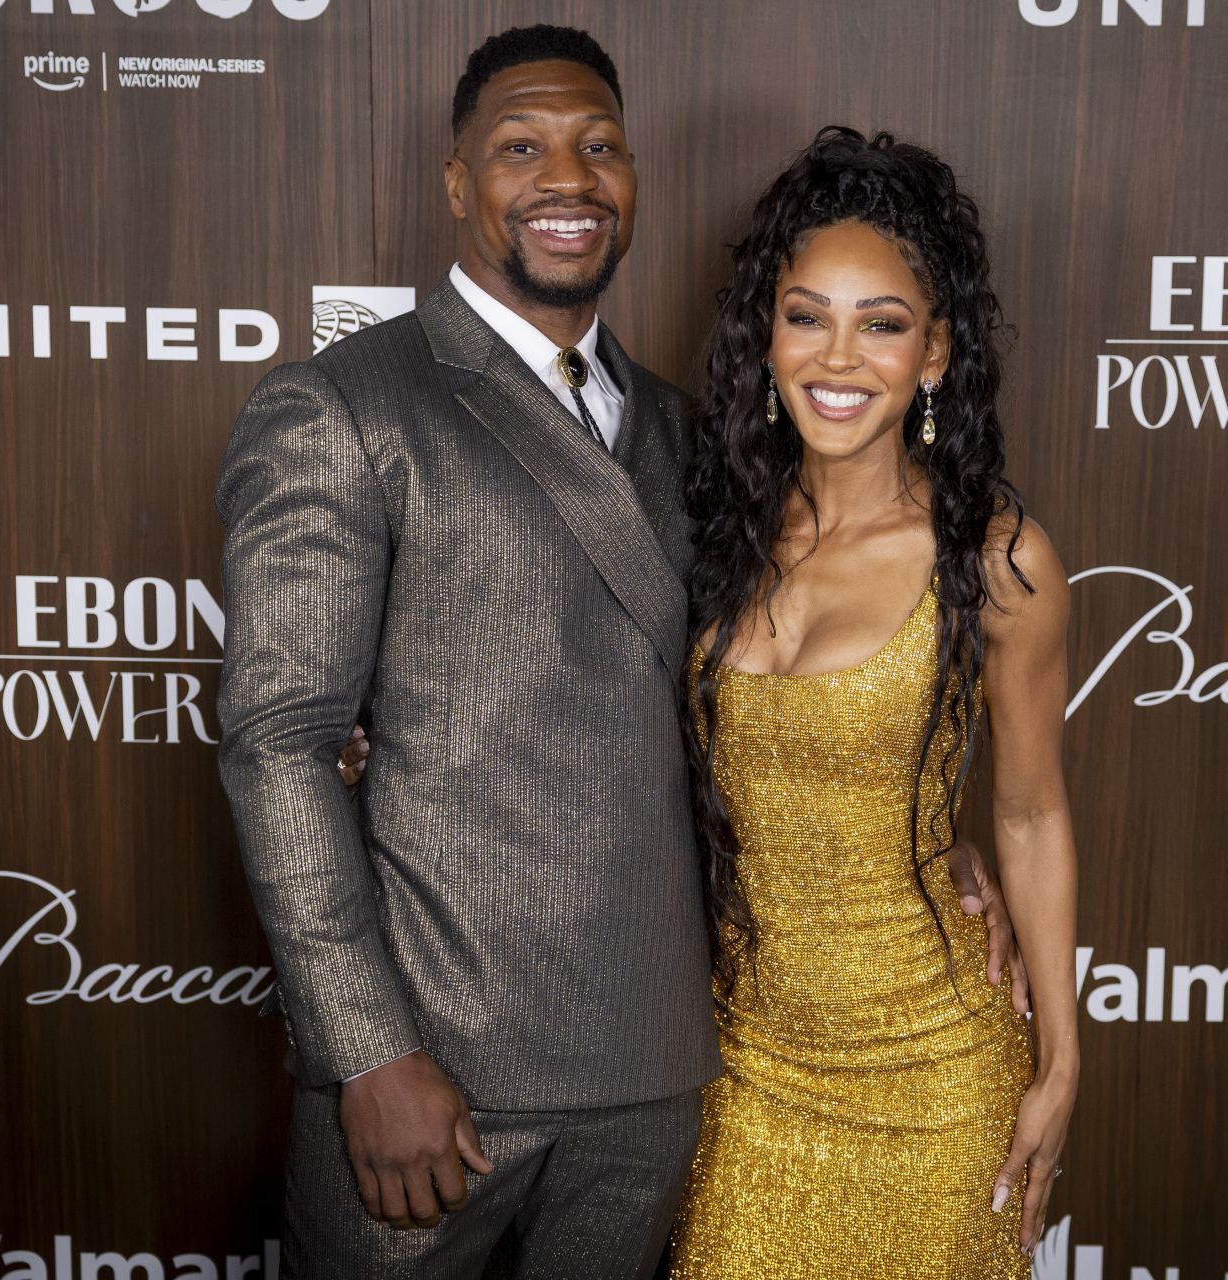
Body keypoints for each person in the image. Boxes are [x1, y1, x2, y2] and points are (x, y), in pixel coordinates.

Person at [218, 28, 1020, 1280]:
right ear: (455, 182)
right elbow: (279, 742)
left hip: (656, 1067)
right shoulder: (346, 406)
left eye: (599, 146)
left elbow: (772, 699)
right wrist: (367, 1049)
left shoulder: (689, 436)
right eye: (521, 147)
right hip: (431, 1068)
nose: (567, 178)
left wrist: (925, 831)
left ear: (633, 178)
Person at [666, 128, 1080, 1276]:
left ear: (935, 351)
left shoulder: (998, 561)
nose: (837, 356)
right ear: (767, 335)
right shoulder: (701, 531)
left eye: (882, 323)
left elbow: (1035, 814)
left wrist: (1061, 1061)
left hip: (939, 1082)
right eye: (806, 316)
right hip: (743, 1069)